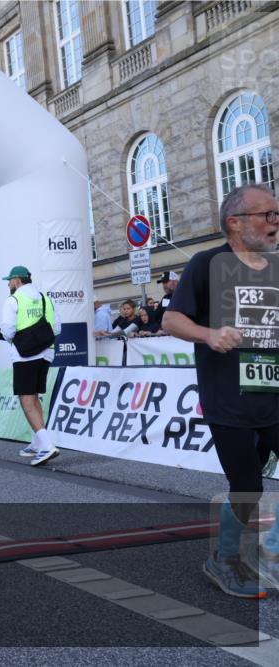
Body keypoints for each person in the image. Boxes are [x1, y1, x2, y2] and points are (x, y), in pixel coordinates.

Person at [162, 183, 279, 599]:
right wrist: (210, 334)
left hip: (275, 395)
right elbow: (171, 321)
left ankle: (272, 554)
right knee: (248, 487)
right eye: (265, 215)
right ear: (235, 222)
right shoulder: (207, 264)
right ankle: (224, 559)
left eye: (276, 215)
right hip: (230, 398)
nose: (274, 223)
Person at [0, 265, 62, 466]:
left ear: (17, 281)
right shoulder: (45, 298)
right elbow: (57, 328)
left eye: (9, 281)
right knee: (34, 396)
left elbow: (7, 331)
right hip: (47, 352)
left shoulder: (13, 300)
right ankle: (36, 442)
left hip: (25, 354)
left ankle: (47, 445)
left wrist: (16, 339)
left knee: (26, 399)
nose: (8, 284)